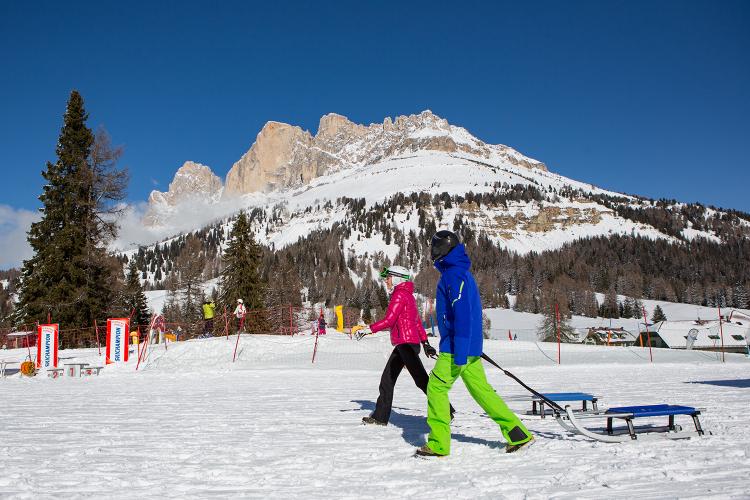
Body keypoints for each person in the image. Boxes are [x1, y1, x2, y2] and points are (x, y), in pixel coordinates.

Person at [416, 231, 533, 456]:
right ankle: (518, 433)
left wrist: (460, 350)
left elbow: (462, 315)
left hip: (456, 348)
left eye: (434, 247)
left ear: (443, 249)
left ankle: (439, 444)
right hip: (467, 347)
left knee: (436, 388)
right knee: (482, 391)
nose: (432, 252)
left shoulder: (453, 276)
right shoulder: (458, 273)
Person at [359, 265, 451, 426]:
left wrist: (368, 329)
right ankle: (380, 417)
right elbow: (417, 323)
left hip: (405, 344)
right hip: (408, 344)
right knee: (389, 379)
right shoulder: (408, 295)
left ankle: (447, 411)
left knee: (420, 380)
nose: (386, 281)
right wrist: (425, 343)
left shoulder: (400, 295)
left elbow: (389, 320)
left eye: (388, 278)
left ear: (396, 278)